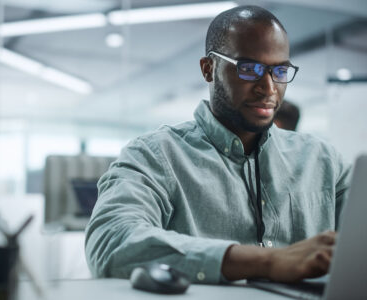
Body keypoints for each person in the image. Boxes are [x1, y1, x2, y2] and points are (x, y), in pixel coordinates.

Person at [85, 5, 351, 284]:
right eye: (250, 69)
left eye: (279, 71)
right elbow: (110, 242)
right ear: (209, 69)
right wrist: (267, 262)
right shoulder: (154, 155)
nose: (269, 87)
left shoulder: (323, 160)